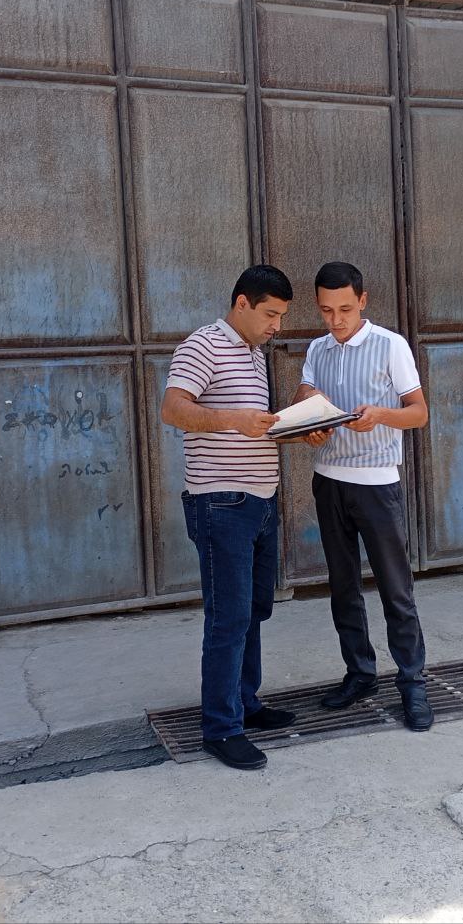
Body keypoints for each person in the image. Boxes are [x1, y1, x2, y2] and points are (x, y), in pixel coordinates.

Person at [160, 264, 298, 771]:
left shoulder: (254, 353)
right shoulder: (203, 345)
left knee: (255, 610)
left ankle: (245, 702)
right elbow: (173, 409)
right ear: (242, 303)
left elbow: (251, 427)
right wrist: (234, 421)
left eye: (281, 317)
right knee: (229, 616)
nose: (276, 326)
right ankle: (221, 728)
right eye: (270, 315)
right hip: (220, 504)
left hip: (260, 501)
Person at [292, 261, 434, 732]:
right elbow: (306, 395)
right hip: (328, 481)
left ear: (363, 301)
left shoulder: (391, 345)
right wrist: (309, 427)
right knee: (343, 587)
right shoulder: (317, 348)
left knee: (396, 589)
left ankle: (413, 684)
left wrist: (380, 415)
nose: (336, 320)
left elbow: (418, 413)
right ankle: (360, 674)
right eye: (326, 310)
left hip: (376, 484)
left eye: (345, 309)